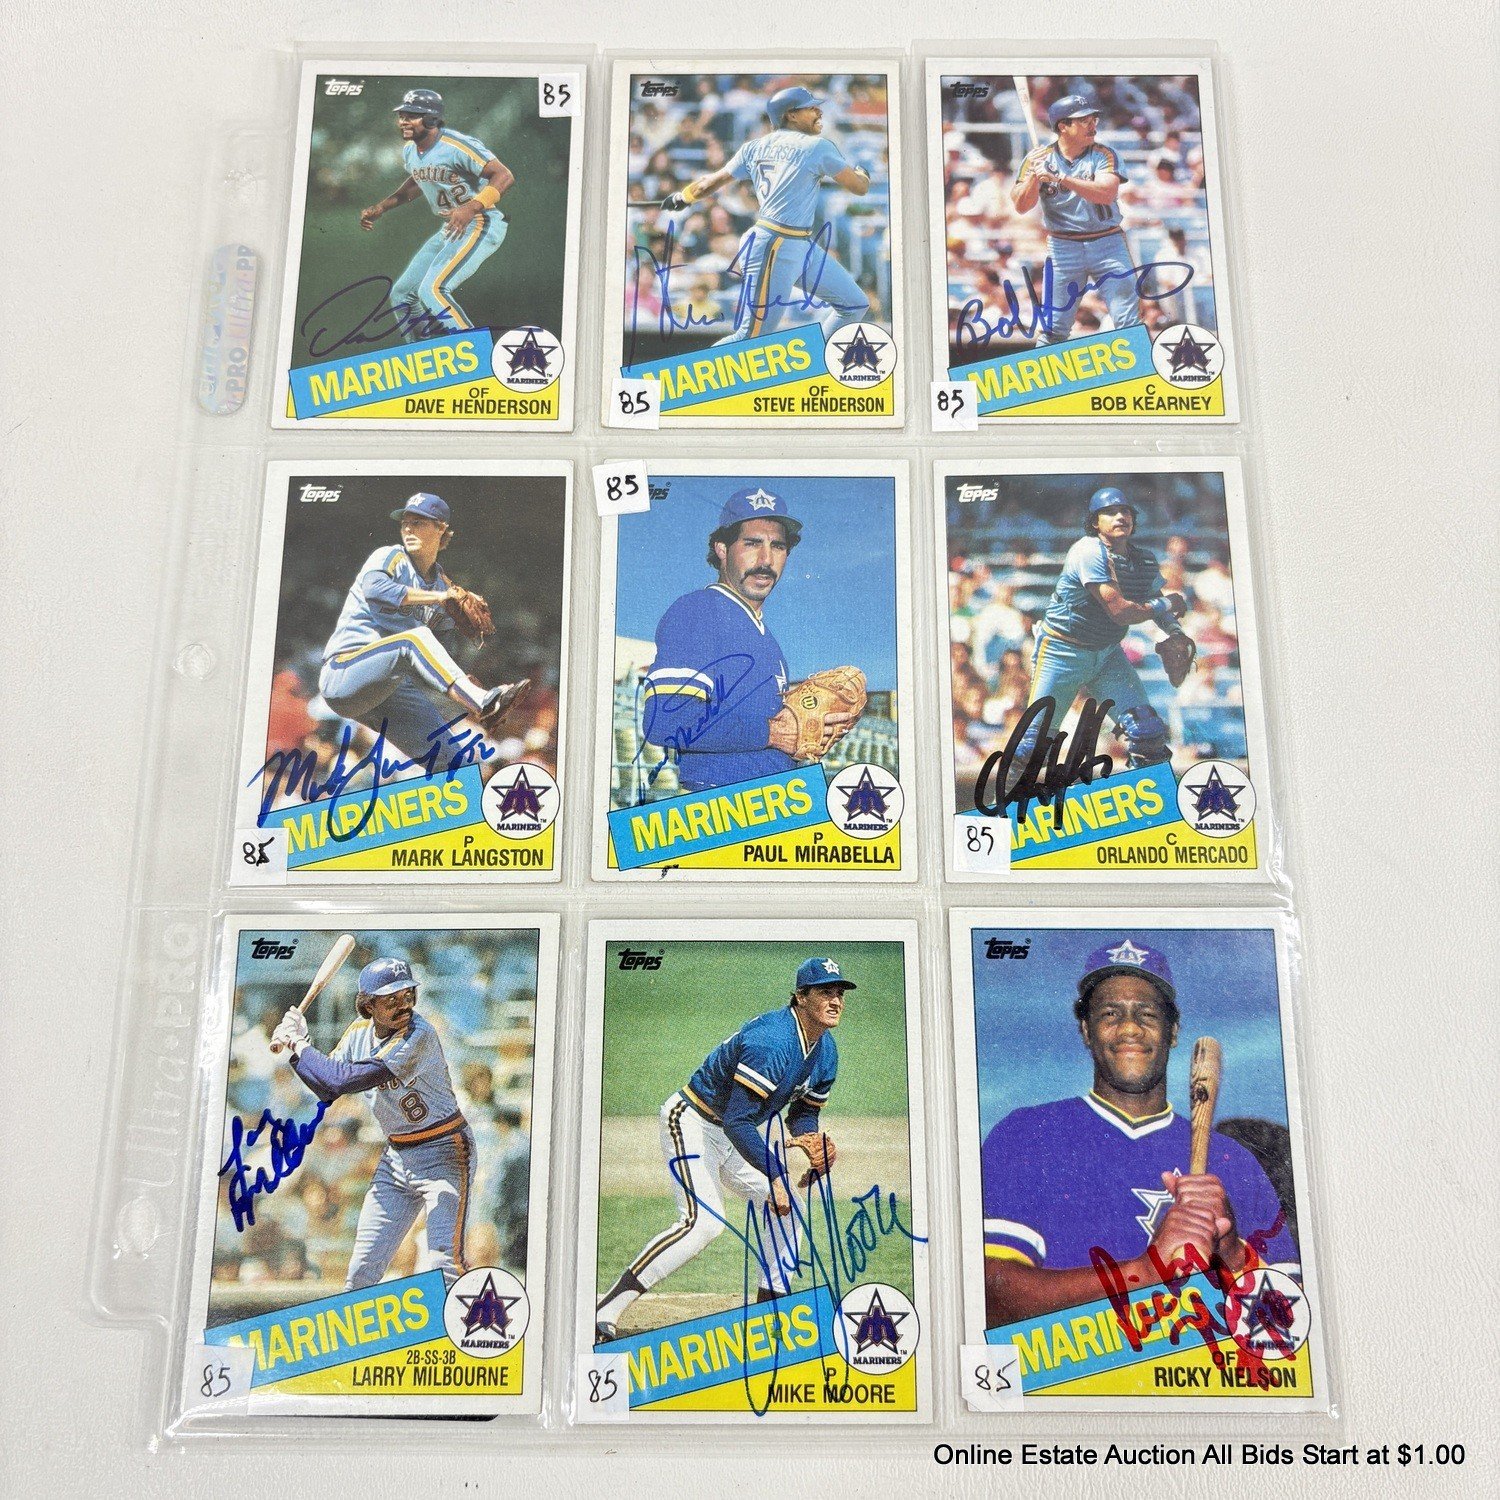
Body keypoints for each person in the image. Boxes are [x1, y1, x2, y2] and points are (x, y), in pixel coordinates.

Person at [979, 938, 1298, 1327]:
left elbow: (1290, 1324)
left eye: (1146, 1014)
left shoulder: (1235, 1161)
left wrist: (1231, 1253)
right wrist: (1143, 1273)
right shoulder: (1027, 1136)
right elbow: (990, 1296)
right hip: (1073, 1366)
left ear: (1173, 1031)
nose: (1130, 1028)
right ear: (1086, 1030)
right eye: (1110, 1014)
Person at [594, 957, 854, 1341]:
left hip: (733, 1131)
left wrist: (812, 1141)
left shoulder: (826, 1051)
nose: (835, 1001)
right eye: (825, 992)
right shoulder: (773, 1041)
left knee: (791, 1208)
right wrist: (776, 1175)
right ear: (801, 997)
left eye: (840, 993)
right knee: (703, 1223)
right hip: (693, 1121)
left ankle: (770, 1315)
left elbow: (803, 1112)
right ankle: (606, 1309)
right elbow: (737, 1120)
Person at [638, 486, 861, 792]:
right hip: (718, 805)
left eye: (778, 546)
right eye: (753, 543)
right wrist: (773, 733)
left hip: (772, 803)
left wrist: (804, 729)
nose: (766, 559)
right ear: (721, 548)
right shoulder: (700, 610)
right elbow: (664, 720)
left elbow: (768, 736)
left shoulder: (769, 640)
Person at [272, 957, 476, 1290]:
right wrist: (297, 1053)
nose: (404, 1005)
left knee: (443, 1261)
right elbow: (326, 1088)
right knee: (361, 1270)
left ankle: (464, 1322)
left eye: (408, 995)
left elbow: (343, 1079)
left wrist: (300, 1044)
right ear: (368, 1005)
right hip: (397, 1156)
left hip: (444, 1151)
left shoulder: (418, 1034)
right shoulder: (358, 1032)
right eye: (391, 999)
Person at [317, 492, 528, 766]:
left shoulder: (442, 585)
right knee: (411, 640)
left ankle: (480, 709)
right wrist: (439, 598)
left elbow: (437, 650)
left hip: (390, 688)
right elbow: (376, 589)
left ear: (441, 529)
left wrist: (463, 678)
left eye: (418, 522)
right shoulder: (391, 556)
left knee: (452, 762)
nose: (408, 528)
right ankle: (484, 704)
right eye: (405, 522)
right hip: (345, 672)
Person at [661, 85, 873, 342]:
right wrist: (863, 172)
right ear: (791, 115)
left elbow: (708, 184)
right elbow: (859, 187)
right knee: (751, 337)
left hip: (799, 244)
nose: (819, 111)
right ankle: (702, 369)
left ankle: (814, 358)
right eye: (810, 108)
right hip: (774, 243)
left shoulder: (754, 147)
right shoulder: (816, 146)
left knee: (854, 304)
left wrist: (682, 197)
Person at [1012, 486, 1193, 771]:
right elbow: (1121, 612)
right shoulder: (1088, 551)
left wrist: (1176, 632)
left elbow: (1154, 599)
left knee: (1147, 733)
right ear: (1095, 522)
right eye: (1109, 512)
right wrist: (1167, 603)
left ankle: (1142, 794)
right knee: (1034, 746)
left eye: (1125, 511)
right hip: (1062, 652)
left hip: (1107, 654)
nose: (1120, 516)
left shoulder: (1142, 558)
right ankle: (1005, 795)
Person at [357, 88, 515, 340]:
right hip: (451, 228)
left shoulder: (456, 145)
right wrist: (381, 207)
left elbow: (504, 175)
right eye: (402, 116)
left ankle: (476, 355)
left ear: (431, 119)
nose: (403, 121)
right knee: (402, 295)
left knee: (433, 290)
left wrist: (471, 207)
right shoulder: (410, 150)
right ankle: (423, 352)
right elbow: (417, 180)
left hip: (481, 222)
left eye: (411, 116)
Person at [1009, 94, 1139, 344]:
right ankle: (1044, 369)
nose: (1093, 125)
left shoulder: (1104, 154)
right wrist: (1034, 177)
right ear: (1063, 126)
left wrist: (1061, 178)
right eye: (1084, 121)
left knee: (1127, 322)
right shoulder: (1037, 158)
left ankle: (1137, 369)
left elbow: (1106, 193)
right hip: (1063, 248)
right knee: (1054, 329)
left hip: (1108, 244)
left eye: (1093, 119)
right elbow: (1021, 206)